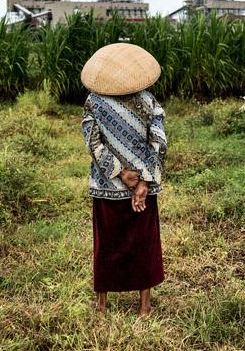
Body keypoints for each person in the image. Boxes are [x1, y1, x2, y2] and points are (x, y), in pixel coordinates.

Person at [80, 43, 166, 316]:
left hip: (107, 185)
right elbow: (159, 144)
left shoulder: (93, 101)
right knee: (144, 243)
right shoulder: (149, 101)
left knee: (106, 244)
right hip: (143, 184)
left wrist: (119, 172)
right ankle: (145, 306)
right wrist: (143, 182)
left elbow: (92, 143)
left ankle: (102, 305)